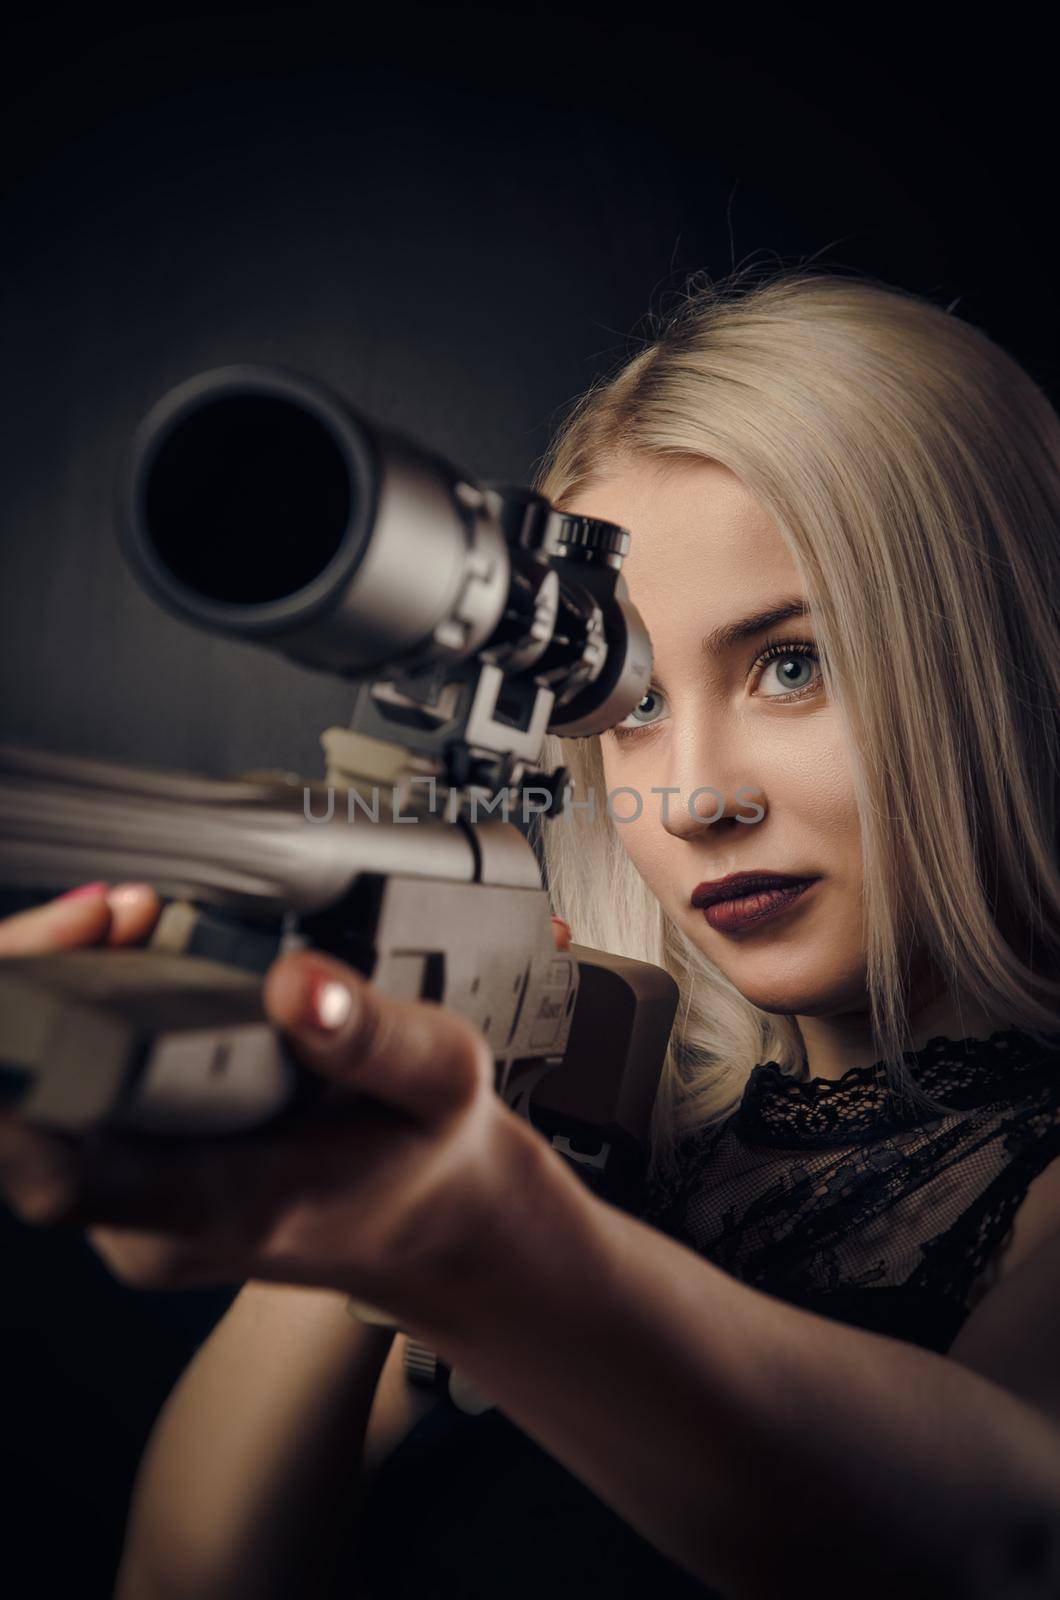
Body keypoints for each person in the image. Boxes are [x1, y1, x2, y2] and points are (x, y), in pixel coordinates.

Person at [1, 264, 1058, 1599]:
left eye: (792, 665)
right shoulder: (603, 1128)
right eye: (629, 711)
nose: (700, 797)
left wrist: (467, 1230)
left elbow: (1008, 1545)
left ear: (997, 656)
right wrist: (356, 1172)